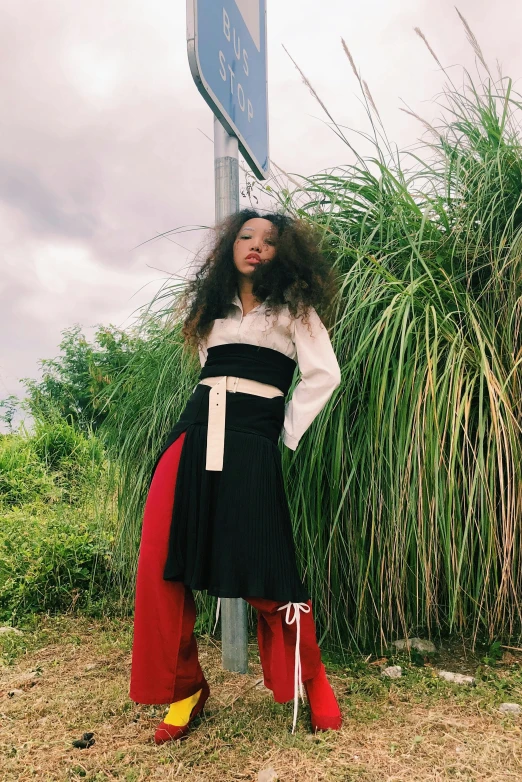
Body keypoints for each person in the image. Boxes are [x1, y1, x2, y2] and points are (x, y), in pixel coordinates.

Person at [129, 209, 343, 744]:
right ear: (230, 246)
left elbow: (324, 375)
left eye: (269, 241)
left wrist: (283, 433)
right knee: (159, 560)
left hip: (251, 444)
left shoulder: (295, 311)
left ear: (284, 254)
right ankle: (185, 689)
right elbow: (211, 373)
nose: (255, 246)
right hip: (192, 437)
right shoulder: (211, 312)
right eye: (245, 236)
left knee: (264, 565)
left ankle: (308, 678)